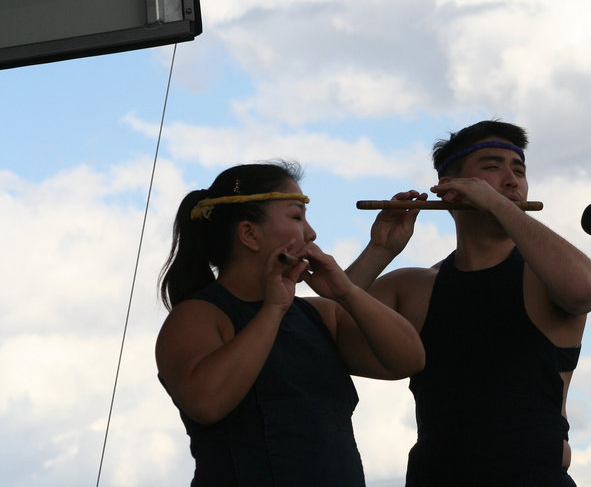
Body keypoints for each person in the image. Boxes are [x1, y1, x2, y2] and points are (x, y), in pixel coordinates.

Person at [346, 120, 591, 486]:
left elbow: (582, 289)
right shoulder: (414, 286)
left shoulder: (545, 276)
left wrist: (499, 204)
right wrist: (380, 250)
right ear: (451, 189)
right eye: (492, 167)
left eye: (519, 170)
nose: (512, 180)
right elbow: (318, 334)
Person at [155, 161, 425, 486]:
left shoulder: (318, 315)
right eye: (297, 216)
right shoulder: (197, 316)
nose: (311, 233)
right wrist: (272, 309)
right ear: (249, 234)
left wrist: (347, 292)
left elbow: (409, 359)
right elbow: (206, 403)